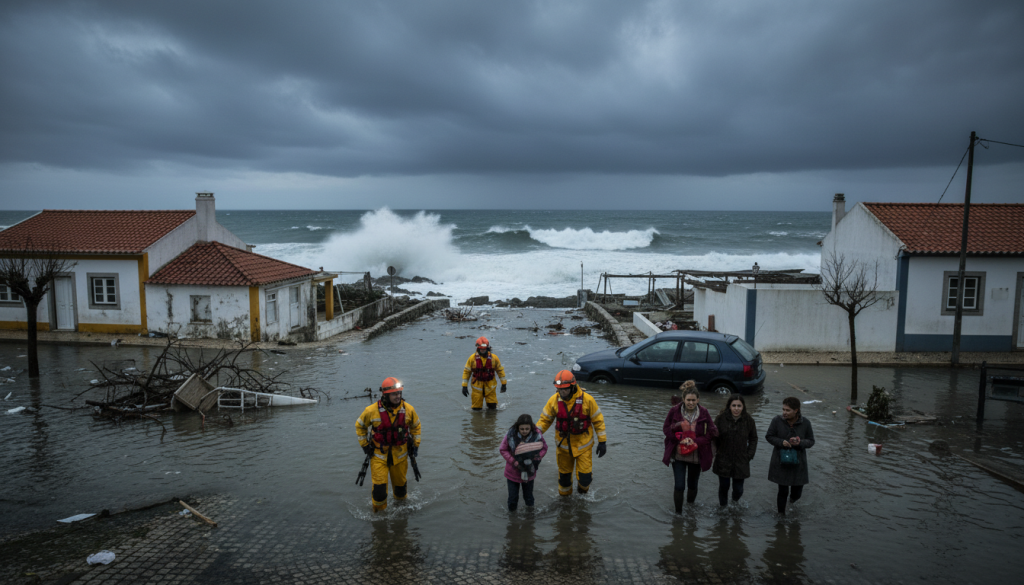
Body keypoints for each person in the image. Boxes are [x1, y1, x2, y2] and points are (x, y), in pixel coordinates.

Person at [355, 377, 422, 512]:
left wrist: (415, 445)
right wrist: (365, 446)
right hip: (379, 456)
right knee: (379, 492)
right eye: (394, 394)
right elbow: (360, 426)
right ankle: (378, 517)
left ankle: (401, 517)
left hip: (400, 457)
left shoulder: (408, 410)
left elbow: (416, 427)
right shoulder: (371, 411)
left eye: (399, 393)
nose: (398, 396)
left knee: (401, 492)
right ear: (385, 395)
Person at [537, 370, 607, 496]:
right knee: (564, 481)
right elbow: (545, 420)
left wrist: (602, 441)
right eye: (559, 389)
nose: (561, 392)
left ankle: (582, 496)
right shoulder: (554, 400)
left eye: (564, 389)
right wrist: (534, 435)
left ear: (572, 386)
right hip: (563, 447)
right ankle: (564, 502)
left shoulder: (588, 400)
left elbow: (598, 421)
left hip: (583, 446)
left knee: (585, 479)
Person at [662, 381, 718, 512]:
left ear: (698, 399)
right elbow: (666, 429)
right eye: (688, 400)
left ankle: (690, 510)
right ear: (683, 399)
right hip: (678, 455)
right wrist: (680, 438)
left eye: (693, 400)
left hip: (696, 455)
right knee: (679, 486)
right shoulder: (674, 411)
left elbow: (711, 432)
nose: (691, 403)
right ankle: (678, 515)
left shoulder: (704, 412)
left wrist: (695, 441)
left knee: (692, 485)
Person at [765, 396, 815, 516]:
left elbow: (811, 441)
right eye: (783, 409)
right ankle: (781, 516)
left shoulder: (805, 423)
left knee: (797, 493)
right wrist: (781, 442)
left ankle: (792, 502)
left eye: (788, 410)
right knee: (782, 491)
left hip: (799, 463)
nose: (784, 412)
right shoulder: (776, 421)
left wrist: (800, 443)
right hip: (781, 462)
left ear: (796, 410)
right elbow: (769, 436)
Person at [712, 394, 758, 506]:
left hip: (741, 460)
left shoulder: (748, 420)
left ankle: (734, 504)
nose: (736, 408)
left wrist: (749, 454)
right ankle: (723, 509)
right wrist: (715, 451)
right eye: (734, 405)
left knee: (738, 489)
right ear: (729, 406)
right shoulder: (721, 418)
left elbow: (753, 438)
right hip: (723, 459)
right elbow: (713, 437)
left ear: (743, 407)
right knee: (724, 486)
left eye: (739, 406)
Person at [498, 414, 548, 511]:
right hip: (512, 472)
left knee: (529, 498)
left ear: (531, 427)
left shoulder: (537, 435)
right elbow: (503, 449)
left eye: (527, 429)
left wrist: (537, 457)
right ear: (517, 427)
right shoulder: (510, 434)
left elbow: (544, 448)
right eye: (522, 429)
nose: (524, 431)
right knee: (512, 499)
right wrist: (513, 461)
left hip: (529, 471)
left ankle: (530, 516)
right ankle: (512, 517)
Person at [461, 336, 507, 410]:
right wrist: (464, 386)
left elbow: (500, 370)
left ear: (487, 348)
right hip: (477, 387)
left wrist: (504, 384)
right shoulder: (472, 358)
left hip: (490, 386)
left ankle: (490, 417)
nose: (482, 351)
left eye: (484, 349)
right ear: (478, 348)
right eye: (481, 349)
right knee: (476, 409)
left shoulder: (494, 358)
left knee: (492, 408)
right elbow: (466, 372)